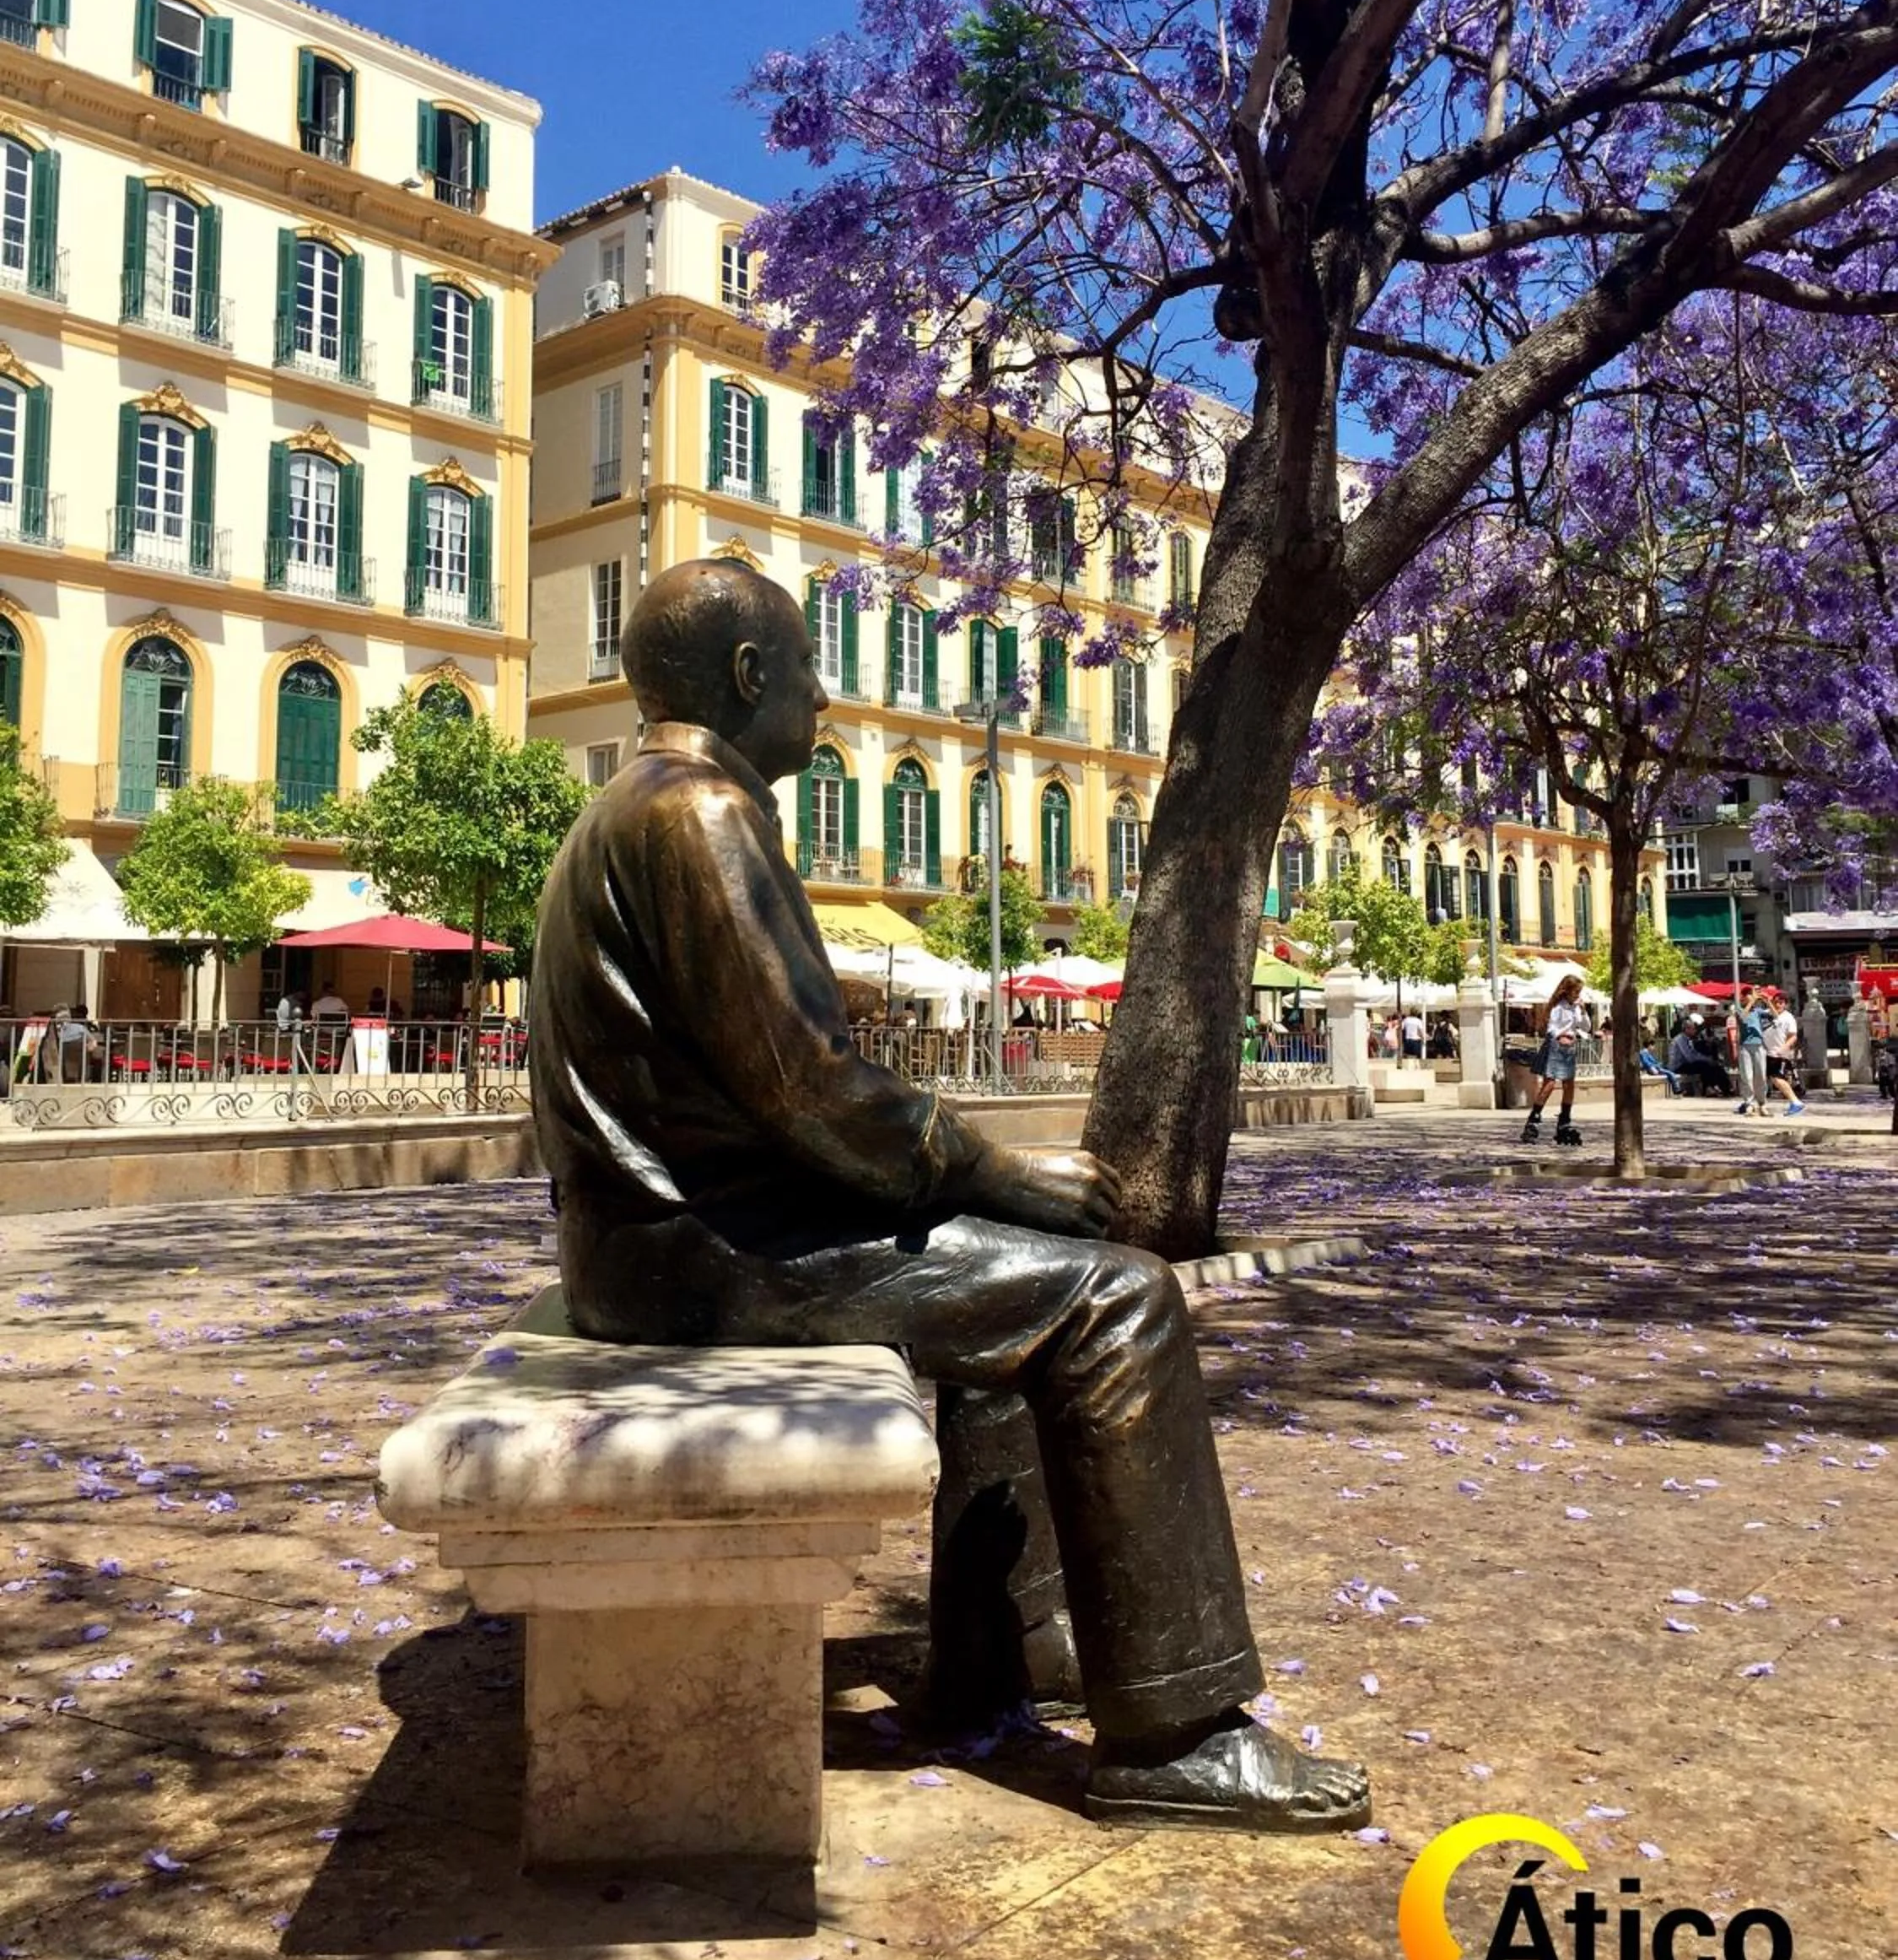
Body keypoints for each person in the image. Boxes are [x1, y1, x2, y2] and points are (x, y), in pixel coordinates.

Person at [531, 559, 1367, 1835]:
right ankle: (1176, 1730)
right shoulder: (700, 811)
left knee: (1014, 1292)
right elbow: (811, 1088)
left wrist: (985, 1195)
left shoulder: (630, 805)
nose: (822, 695)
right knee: (1121, 1303)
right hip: (700, 1253)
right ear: (750, 678)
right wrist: (998, 1168)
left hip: (658, 1241)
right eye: (805, 669)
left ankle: (1004, 1653)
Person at [1521, 972, 1589, 1146]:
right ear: (1567, 991)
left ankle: (1564, 1121)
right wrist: (1561, 1036)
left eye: (1579, 992)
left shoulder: (1576, 1007)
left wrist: (1583, 1011)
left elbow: (1585, 1027)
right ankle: (1533, 1120)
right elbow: (1551, 1028)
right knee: (1549, 1083)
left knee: (1569, 1084)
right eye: (1576, 991)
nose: (1578, 995)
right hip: (1557, 1046)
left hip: (1570, 1047)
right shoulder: (1558, 1007)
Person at [1761, 987, 1805, 1116]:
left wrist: (1784, 1049)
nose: (1778, 1005)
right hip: (1763, 1051)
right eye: (1775, 1002)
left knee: (1776, 1078)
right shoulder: (1766, 1013)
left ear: (1785, 1004)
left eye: (1781, 1003)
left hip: (1777, 1052)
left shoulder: (1788, 1018)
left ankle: (1795, 1102)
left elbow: (1793, 1036)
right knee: (1763, 1078)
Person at [1732, 985, 1771, 1116]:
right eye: (1749, 994)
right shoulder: (1739, 1009)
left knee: (1761, 1076)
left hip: (1759, 1045)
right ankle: (1749, 1104)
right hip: (1745, 1046)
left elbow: (1775, 1016)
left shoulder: (1758, 1011)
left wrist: (1768, 1002)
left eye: (1753, 993)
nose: (1752, 996)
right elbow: (1743, 1018)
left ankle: (1762, 1103)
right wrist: (1751, 1002)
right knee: (1747, 1076)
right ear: (1744, 996)